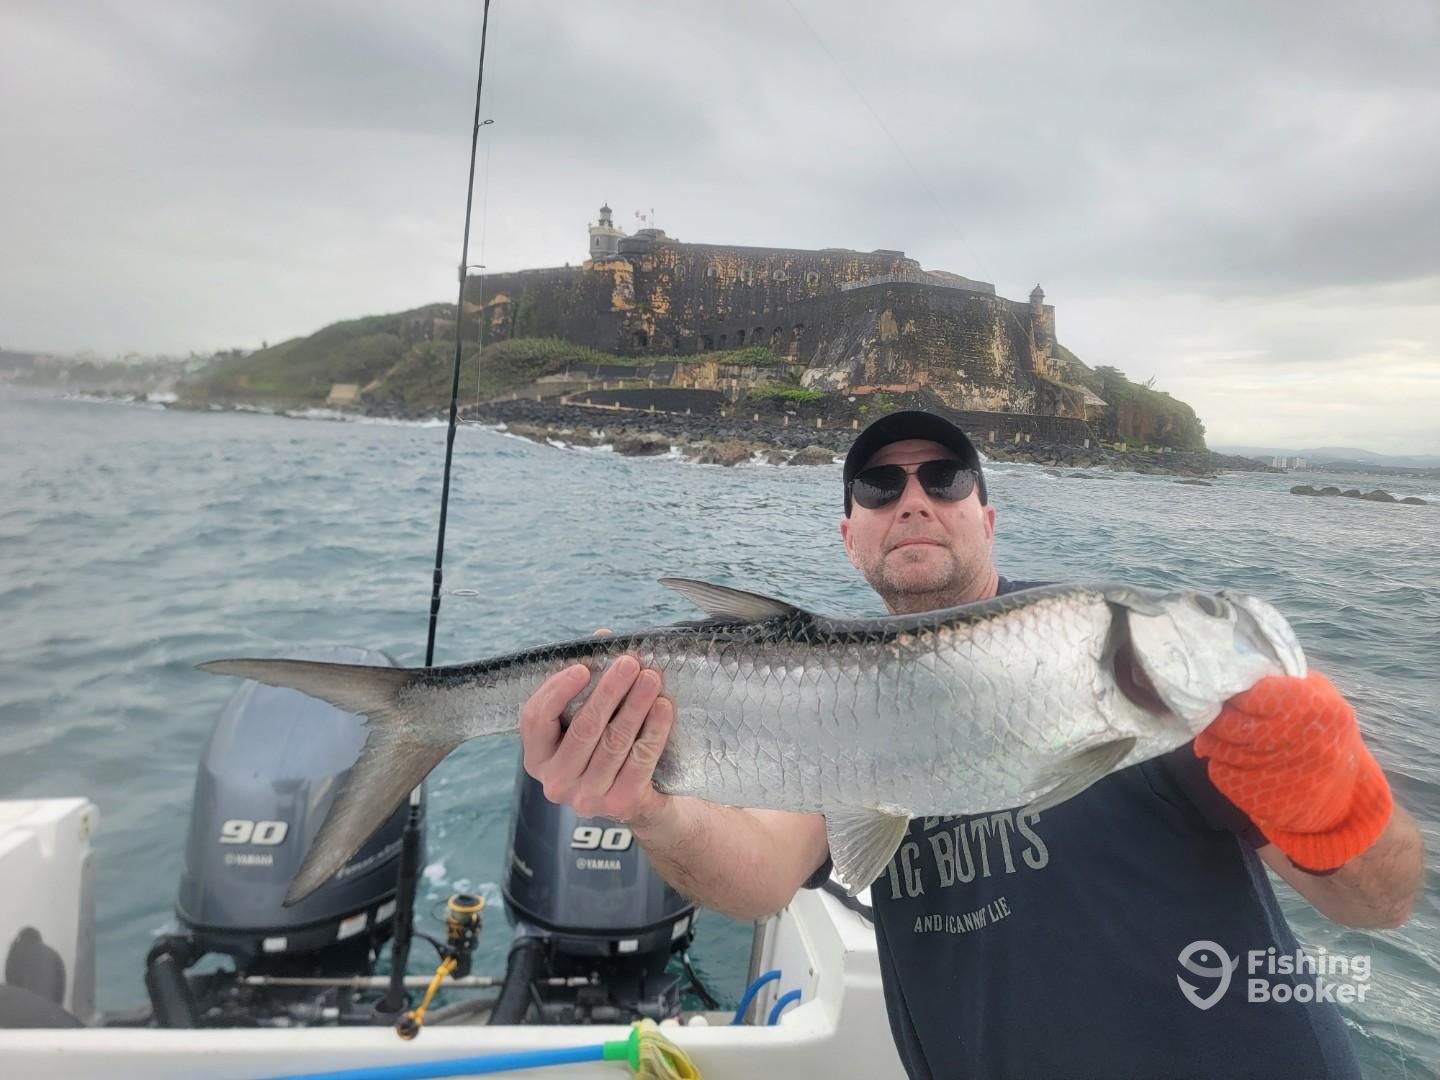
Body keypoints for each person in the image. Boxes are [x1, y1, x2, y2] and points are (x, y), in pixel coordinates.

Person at [518, 409, 1423, 1079]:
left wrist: (1331, 794)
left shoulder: (1147, 686)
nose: (914, 500)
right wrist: (647, 809)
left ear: (987, 518)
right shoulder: (823, 706)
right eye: (880, 487)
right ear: (849, 536)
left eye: (945, 479)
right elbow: (757, 880)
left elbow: (1380, 901)